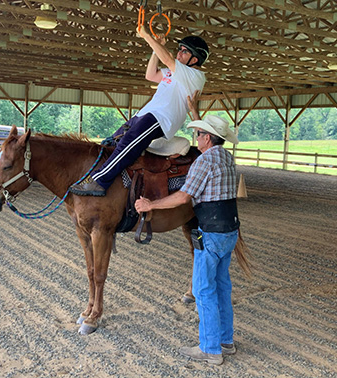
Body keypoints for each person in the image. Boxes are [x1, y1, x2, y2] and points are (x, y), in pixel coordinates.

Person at [135, 114, 240, 366]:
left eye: (199, 134)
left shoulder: (204, 161)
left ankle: (210, 349)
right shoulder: (227, 157)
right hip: (230, 230)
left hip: (212, 233)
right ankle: (226, 341)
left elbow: (183, 197)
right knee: (223, 287)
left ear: (207, 138)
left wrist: (151, 203)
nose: (196, 138)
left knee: (204, 290)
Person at [69, 25, 209, 197]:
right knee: (111, 142)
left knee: (129, 144)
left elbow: (168, 60)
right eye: (179, 49)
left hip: (161, 118)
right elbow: (150, 75)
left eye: (184, 51)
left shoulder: (195, 76)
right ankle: (94, 176)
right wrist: (155, 50)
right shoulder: (173, 73)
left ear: (194, 60)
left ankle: (100, 181)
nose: (179, 53)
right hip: (144, 114)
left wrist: (147, 37)